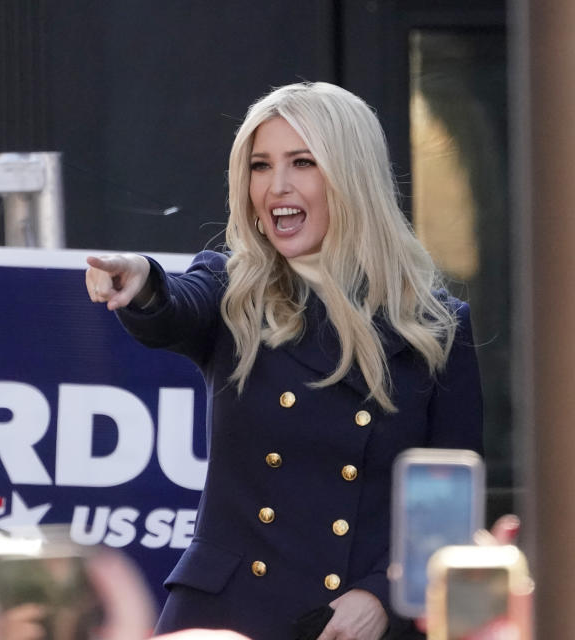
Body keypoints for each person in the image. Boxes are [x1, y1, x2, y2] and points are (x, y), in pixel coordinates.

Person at [85, 82, 483, 640]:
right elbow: (175, 306)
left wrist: (380, 595)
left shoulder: (437, 325)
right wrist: (144, 281)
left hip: (353, 624)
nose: (276, 187)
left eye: (302, 163)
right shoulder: (232, 288)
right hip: (229, 615)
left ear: (352, 175)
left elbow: (447, 510)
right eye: (259, 165)